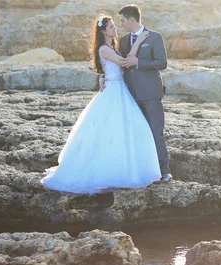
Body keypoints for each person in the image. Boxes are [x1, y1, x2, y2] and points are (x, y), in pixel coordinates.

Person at [41, 16, 161, 194]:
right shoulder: (104, 49)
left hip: (120, 88)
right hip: (113, 91)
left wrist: (103, 76)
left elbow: (115, 68)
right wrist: (139, 42)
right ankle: (108, 172)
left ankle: (127, 168)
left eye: (114, 26)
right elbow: (123, 62)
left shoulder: (111, 47)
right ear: (103, 31)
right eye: (111, 27)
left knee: (126, 130)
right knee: (109, 130)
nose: (115, 29)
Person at [116, 4, 172, 183]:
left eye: (123, 21)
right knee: (137, 134)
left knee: (156, 133)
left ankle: (165, 171)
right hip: (131, 96)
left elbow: (162, 63)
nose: (121, 25)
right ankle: (142, 170)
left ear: (132, 19)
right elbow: (120, 63)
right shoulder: (124, 41)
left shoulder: (155, 37)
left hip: (151, 94)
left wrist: (138, 62)